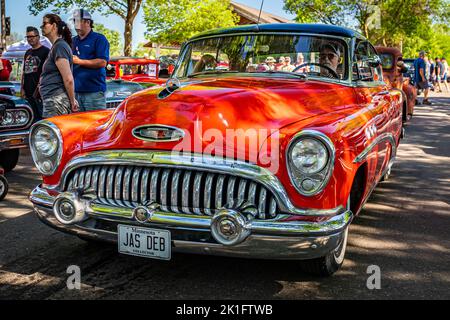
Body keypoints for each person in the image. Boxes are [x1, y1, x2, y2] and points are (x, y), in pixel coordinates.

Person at [39, 14, 78, 117]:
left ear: (54, 26)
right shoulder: (56, 46)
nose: (41, 27)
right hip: (52, 100)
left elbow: (68, 79)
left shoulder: (60, 46)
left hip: (56, 100)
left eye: (44, 23)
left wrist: (72, 100)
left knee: (53, 132)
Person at [71, 9, 110, 111]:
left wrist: (79, 61)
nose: (75, 25)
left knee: (95, 125)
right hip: (75, 92)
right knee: (77, 126)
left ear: (88, 22)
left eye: (78, 21)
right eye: (74, 21)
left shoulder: (99, 39)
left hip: (94, 92)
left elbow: (102, 62)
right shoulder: (72, 41)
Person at [21, 26, 50, 121]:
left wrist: (38, 90)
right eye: (28, 37)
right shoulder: (28, 52)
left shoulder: (46, 51)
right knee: (29, 120)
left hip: (39, 94)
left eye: (32, 36)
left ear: (38, 37)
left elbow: (46, 73)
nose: (30, 39)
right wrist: (22, 88)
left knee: (41, 120)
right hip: (27, 93)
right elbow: (24, 72)